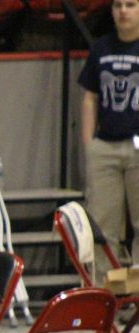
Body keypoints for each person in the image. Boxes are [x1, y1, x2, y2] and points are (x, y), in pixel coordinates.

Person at [78, 0, 139, 273]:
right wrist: (89, 145)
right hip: (105, 145)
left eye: (130, 5)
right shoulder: (101, 48)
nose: (123, 11)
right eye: (117, 6)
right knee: (102, 227)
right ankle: (105, 296)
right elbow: (90, 98)